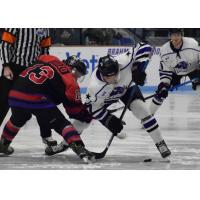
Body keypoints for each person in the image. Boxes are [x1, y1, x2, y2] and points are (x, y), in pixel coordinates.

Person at [55, 43, 171, 159]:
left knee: (143, 111)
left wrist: (137, 68)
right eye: (108, 77)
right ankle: (66, 143)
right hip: (106, 97)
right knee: (82, 121)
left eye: (115, 74)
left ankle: (160, 143)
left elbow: (145, 47)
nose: (114, 79)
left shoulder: (124, 61)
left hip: (127, 89)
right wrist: (109, 121)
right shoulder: (95, 87)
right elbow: (93, 108)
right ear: (102, 74)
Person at [0, 54, 94, 163]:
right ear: (73, 69)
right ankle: (80, 148)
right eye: (78, 74)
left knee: (19, 118)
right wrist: (87, 115)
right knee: (61, 123)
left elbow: (39, 59)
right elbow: (74, 111)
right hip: (36, 97)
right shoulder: (70, 81)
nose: (77, 77)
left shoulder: (49, 59)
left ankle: (3, 144)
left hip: (15, 93)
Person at [0, 28, 57, 151]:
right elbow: (5, 45)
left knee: (40, 101)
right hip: (13, 68)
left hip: (32, 71)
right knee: (2, 102)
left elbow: (45, 49)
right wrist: (6, 66)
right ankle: (4, 142)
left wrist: (44, 69)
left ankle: (46, 136)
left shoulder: (44, 28)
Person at [149, 28, 200, 115]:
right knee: (161, 93)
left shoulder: (192, 44)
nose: (176, 38)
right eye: (173, 35)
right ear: (170, 36)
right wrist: (164, 85)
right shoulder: (164, 50)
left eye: (178, 35)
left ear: (182, 35)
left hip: (194, 69)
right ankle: (148, 116)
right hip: (175, 72)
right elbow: (165, 70)